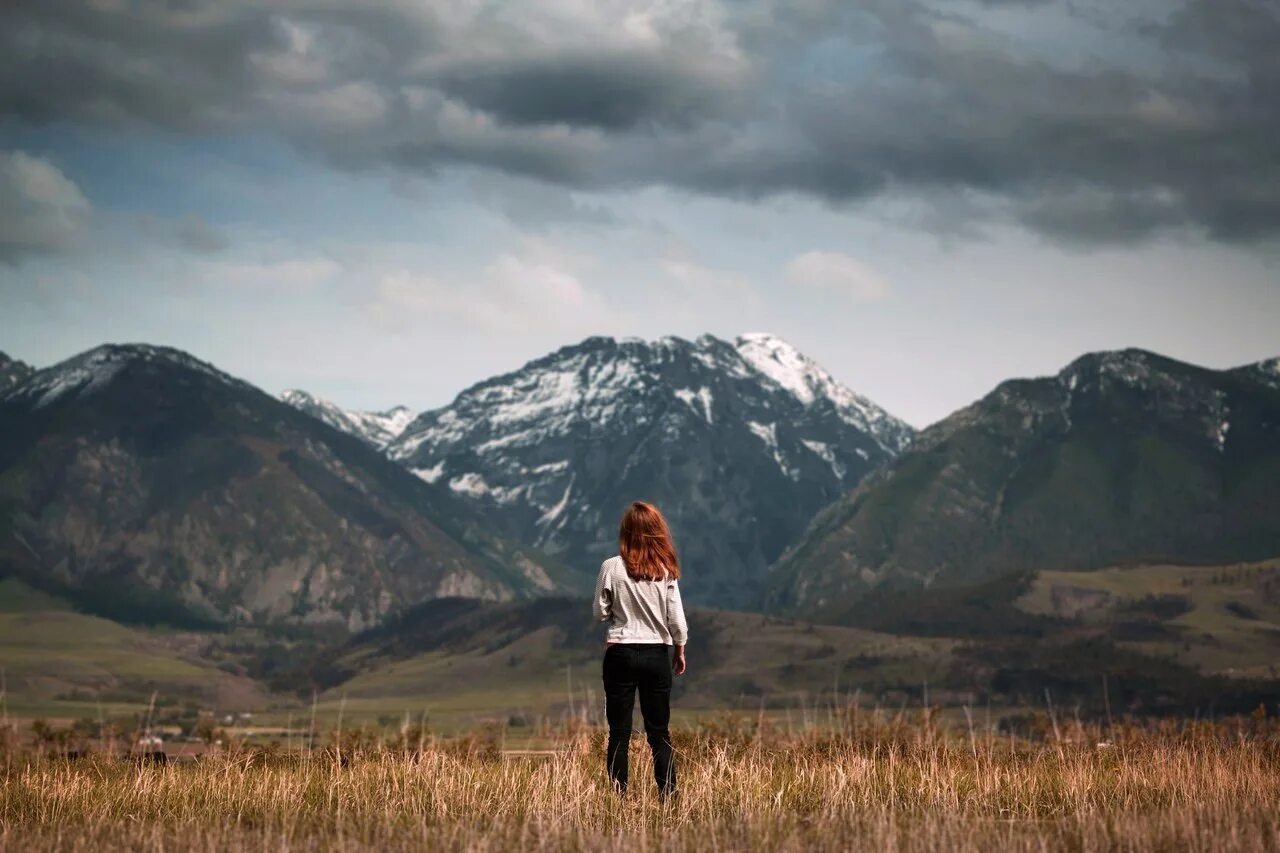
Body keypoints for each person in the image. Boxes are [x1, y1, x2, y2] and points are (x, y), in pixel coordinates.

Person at [592, 500, 688, 798]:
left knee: (619, 733)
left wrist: (616, 613)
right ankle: (669, 797)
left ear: (626, 531)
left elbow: (599, 612)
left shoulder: (611, 567)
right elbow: (676, 618)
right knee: (659, 733)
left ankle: (619, 799)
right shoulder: (666, 569)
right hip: (656, 654)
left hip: (620, 651)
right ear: (657, 531)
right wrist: (680, 649)